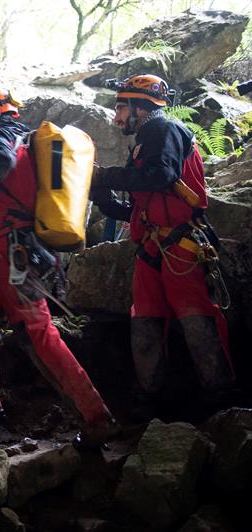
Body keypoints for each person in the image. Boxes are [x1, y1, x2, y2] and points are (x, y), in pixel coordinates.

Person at [0, 87, 118, 448]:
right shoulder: (27, 140)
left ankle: (97, 414)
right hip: (18, 250)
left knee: (40, 333)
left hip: (17, 253)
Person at [90, 74, 235, 415]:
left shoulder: (164, 130)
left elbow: (162, 176)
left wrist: (105, 176)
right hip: (155, 246)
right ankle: (153, 397)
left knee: (195, 319)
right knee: (145, 321)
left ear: (141, 107)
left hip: (179, 243)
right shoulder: (146, 143)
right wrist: (102, 194)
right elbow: (138, 204)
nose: (116, 117)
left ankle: (219, 396)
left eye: (121, 107)